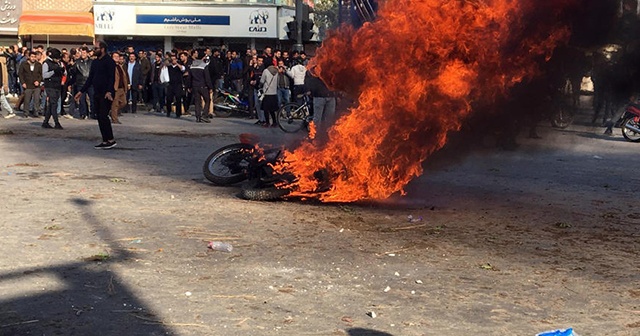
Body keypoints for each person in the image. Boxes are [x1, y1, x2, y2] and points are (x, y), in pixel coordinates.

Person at [75, 41, 117, 149]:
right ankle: (105, 140)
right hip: (97, 92)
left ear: (102, 49)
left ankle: (111, 139)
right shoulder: (95, 62)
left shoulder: (109, 61)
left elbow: (112, 78)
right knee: (98, 116)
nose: (94, 50)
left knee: (104, 116)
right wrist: (81, 91)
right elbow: (90, 79)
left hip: (106, 93)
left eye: (96, 48)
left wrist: (109, 91)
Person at [41, 48, 66, 129]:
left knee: (51, 105)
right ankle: (56, 122)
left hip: (57, 85)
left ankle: (45, 122)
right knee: (53, 104)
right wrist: (54, 71)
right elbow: (44, 75)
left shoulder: (59, 63)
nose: (58, 59)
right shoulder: (46, 63)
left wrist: (62, 70)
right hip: (50, 86)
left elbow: (65, 73)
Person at [186, 49, 213, 123]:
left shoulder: (192, 65)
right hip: (203, 86)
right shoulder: (204, 65)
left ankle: (198, 117)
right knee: (207, 100)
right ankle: (204, 115)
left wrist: (189, 86)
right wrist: (210, 87)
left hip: (194, 86)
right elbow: (207, 77)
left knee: (197, 102)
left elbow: (189, 77)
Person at [18, 51, 43, 118]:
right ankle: (26, 112)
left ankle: (36, 112)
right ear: (29, 57)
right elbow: (20, 74)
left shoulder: (38, 65)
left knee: (37, 99)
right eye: (32, 57)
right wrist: (23, 82)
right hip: (27, 84)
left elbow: (41, 74)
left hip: (36, 85)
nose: (33, 58)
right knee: (27, 99)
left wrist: (38, 81)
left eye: (34, 57)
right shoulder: (24, 64)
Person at [259, 61, 279, 127]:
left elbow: (262, 80)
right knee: (272, 110)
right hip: (274, 92)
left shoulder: (266, 71)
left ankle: (267, 122)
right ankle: (274, 122)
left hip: (267, 92)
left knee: (266, 109)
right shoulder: (276, 71)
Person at [110, 52, 128, 124]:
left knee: (124, 102)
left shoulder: (120, 66)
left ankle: (112, 112)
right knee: (115, 104)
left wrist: (126, 86)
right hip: (115, 88)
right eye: (115, 56)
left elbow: (124, 77)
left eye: (117, 56)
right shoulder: (111, 66)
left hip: (122, 88)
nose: (117, 57)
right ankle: (114, 119)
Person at [165, 54, 185, 118]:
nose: (173, 61)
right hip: (170, 85)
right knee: (169, 99)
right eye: (172, 60)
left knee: (178, 99)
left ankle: (178, 113)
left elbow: (183, 69)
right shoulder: (169, 67)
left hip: (178, 85)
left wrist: (177, 64)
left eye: (174, 59)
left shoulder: (179, 66)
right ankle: (168, 111)